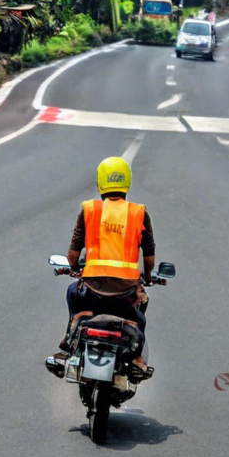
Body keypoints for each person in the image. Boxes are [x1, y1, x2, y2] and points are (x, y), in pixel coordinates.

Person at [55, 157, 156, 378]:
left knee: (72, 293)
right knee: (140, 317)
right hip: (126, 292)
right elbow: (149, 257)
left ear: (101, 182)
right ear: (126, 182)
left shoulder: (89, 209)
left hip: (91, 290)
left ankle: (70, 337)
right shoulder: (138, 213)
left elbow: (73, 254)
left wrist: (74, 268)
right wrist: (147, 278)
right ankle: (137, 359)